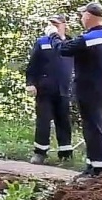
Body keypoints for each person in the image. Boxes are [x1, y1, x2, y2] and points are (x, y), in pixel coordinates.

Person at [59, 1, 102, 179]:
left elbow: (63, 50)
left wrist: (57, 35)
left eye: (82, 15)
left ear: (88, 16)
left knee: (93, 129)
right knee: (97, 127)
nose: (80, 18)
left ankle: (100, 171)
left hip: (89, 91)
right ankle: (91, 166)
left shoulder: (88, 39)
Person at [25, 14, 74, 165]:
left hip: (64, 89)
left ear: (64, 25)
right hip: (45, 88)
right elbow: (33, 65)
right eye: (51, 23)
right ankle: (40, 153)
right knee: (43, 121)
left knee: (64, 121)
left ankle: (65, 153)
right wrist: (30, 83)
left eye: (56, 23)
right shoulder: (42, 42)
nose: (53, 26)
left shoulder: (71, 43)